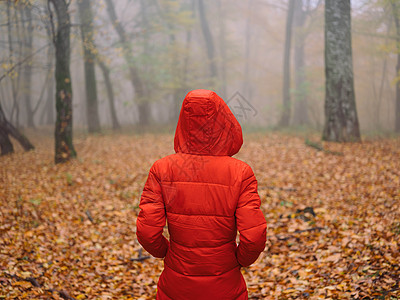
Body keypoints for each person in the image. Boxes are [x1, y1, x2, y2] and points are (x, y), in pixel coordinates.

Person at [136, 89, 267, 300]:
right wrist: (239, 260)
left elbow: (146, 232)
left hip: (176, 286)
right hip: (225, 285)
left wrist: (167, 253)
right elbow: (254, 236)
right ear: (223, 120)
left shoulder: (162, 169)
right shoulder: (241, 172)